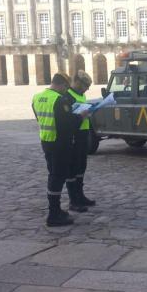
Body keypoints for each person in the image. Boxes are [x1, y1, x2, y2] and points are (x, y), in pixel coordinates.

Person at [32, 72, 88, 227]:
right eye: (66, 87)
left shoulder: (37, 97)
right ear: (63, 85)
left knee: (54, 175)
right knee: (57, 178)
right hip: (60, 144)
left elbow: (40, 118)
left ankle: (55, 210)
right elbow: (67, 125)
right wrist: (80, 116)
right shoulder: (59, 100)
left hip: (46, 141)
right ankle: (54, 213)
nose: (66, 90)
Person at [66, 70, 95, 212]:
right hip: (73, 135)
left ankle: (80, 195)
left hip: (83, 133)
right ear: (77, 82)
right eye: (85, 85)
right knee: (72, 168)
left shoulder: (81, 94)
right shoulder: (67, 96)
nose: (87, 89)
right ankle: (73, 200)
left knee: (81, 166)